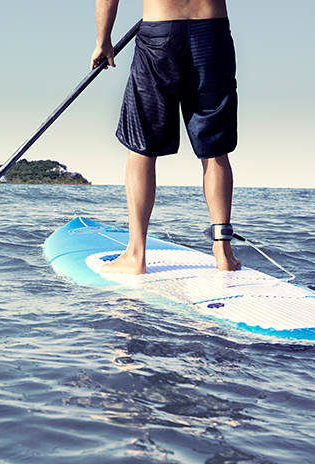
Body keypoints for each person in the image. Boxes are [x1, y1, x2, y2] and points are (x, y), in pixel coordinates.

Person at [91, 0, 242, 273]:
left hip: (160, 32)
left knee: (142, 148)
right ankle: (224, 251)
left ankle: (136, 254)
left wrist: (104, 40)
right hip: (212, 33)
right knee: (215, 148)